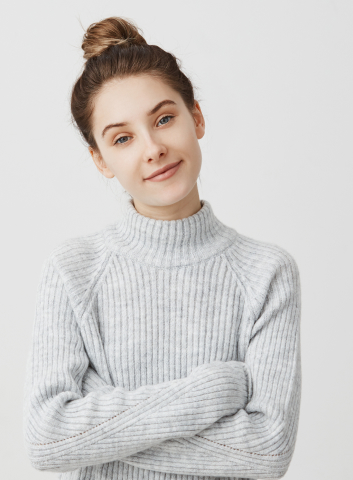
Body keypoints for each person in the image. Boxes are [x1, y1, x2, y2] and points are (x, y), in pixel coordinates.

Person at [22, 16, 302, 480]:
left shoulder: (266, 273)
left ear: (197, 118)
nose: (152, 148)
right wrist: (211, 391)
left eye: (164, 119)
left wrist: (99, 422)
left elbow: (267, 450)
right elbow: (47, 439)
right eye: (123, 138)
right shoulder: (73, 271)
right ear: (101, 160)